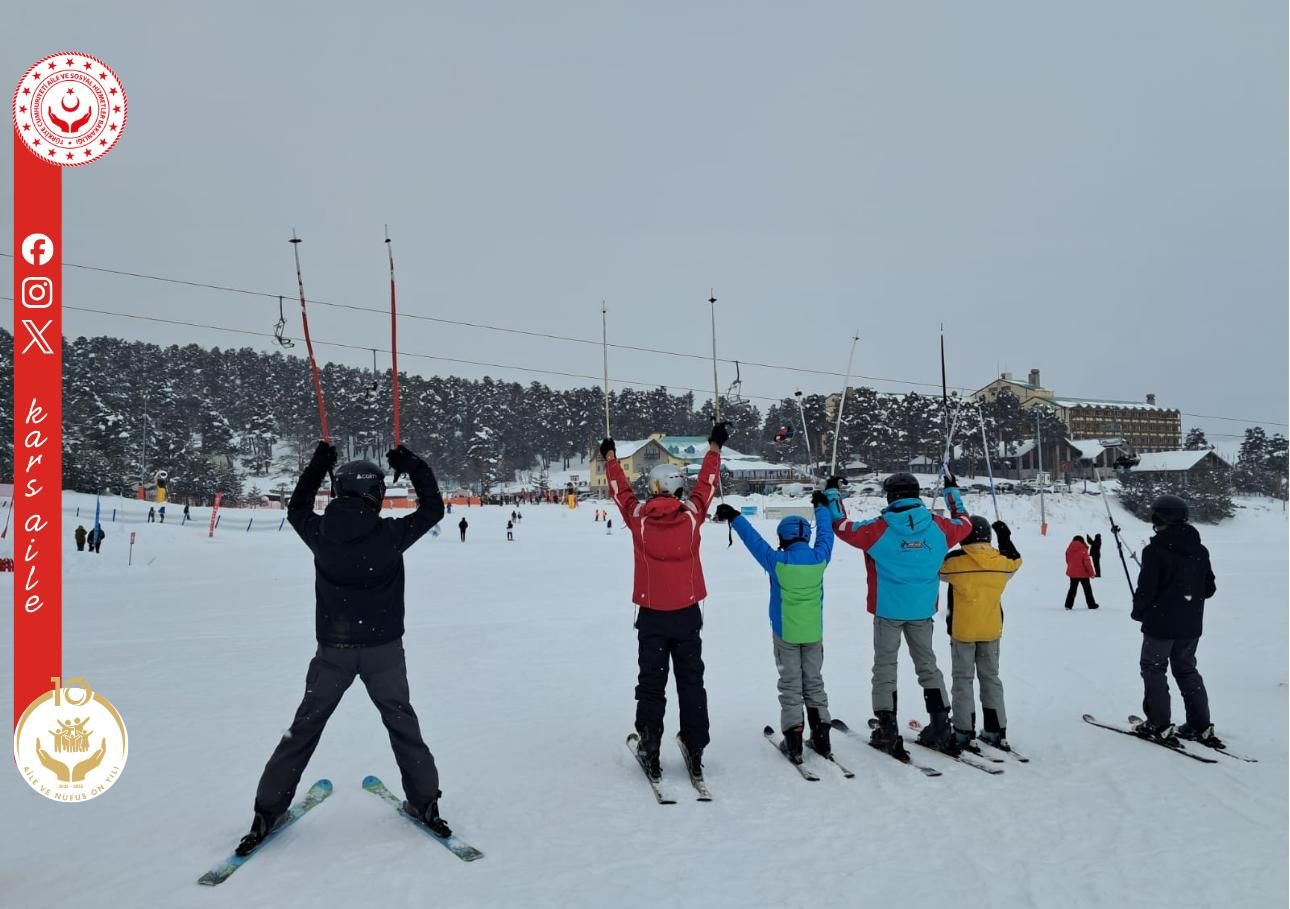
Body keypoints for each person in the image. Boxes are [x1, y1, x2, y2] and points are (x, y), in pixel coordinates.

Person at [235, 441, 449, 857]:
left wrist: (318, 464)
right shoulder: (390, 535)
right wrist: (412, 464)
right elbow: (434, 509)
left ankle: (266, 810)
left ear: (339, 491)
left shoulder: (320, 533)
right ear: (375, 495)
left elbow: (296, 508)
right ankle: (426, 802)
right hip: (384, 651)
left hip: (333, 650)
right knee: (402, 723)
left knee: (304, 728)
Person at [603, 422, 726, 780]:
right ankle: (695, 744)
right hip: (687, 615)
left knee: (651, 684)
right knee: (691, 682)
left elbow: (619, 491)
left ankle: (651, 745)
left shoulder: (639, 517)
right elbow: (708, 484)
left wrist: (611, 457)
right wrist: (715, 447)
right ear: (677, 488)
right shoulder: (691, 516)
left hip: (653, 616)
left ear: (654, 488)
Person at [825, 471, 973, 755]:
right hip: (921, 610)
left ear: (890, 496)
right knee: (928, 666)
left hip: (888, 609)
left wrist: (833, 494)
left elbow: (841, 526)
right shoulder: (939, 528)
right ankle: (941, 725)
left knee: (885, 668)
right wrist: (951, 492)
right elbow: (965, 523)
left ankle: (888, 728)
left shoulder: (878, 529)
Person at [716, 492, 835, 763]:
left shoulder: (777, 562)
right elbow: (826, 534)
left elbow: (754, 542)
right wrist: (821, 507)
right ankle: (822, 737)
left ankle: (794, 742)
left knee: (791, 684)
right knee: (814, 682)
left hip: (786, 634)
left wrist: (735, 517)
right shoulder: (820, 558)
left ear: (783, 537)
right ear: (805, 536)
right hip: (814, 633)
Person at [1131, 495, 1219, 744]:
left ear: (1159, 519)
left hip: (1160, 624)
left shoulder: (1154, 551)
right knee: (1186, 669)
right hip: (1190, 625)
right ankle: (1199, 724)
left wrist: (1139, 612)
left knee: (1154, 669)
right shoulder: (1199, 550)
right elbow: (1209, 589)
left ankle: (1159, 724)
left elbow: (1146, 590)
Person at [939, 517, 1022, 750]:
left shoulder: (954, 562)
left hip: (962, 630)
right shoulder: (1000, 562)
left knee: (963, 680)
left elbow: (934, 568)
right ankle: (996, 730)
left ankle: (964, 731)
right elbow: (1016, 561)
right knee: (991, 679)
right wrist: (1005, 538)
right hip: (991, 629)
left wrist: (947, 538)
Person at [1064, 535, 1099, 609]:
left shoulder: (1069, 550)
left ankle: (1068, 605)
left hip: (1073, 573)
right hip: (1084, 574)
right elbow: (1087, 562)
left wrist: (1072, 567)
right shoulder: (1083, 549)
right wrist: (1092, 573)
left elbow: (1067, 560)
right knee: (1087, 590)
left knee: (1072, 589)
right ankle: (1091, 604)